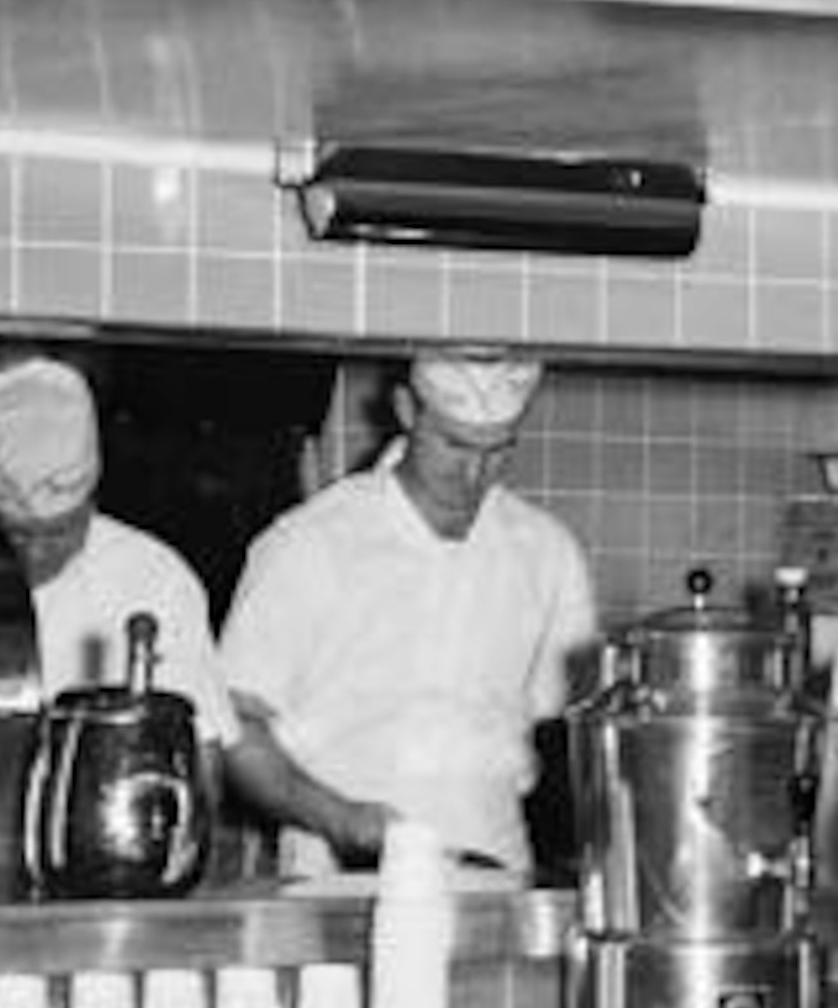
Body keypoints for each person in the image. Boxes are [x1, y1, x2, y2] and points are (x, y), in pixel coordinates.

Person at [217, 345, 597, 876]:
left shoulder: (546, 552)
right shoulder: (311, 542)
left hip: (495, 871)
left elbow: (564, 736)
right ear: (406, 409)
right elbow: (234, 728)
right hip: (335, 875)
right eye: (455, 445)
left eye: (497, 451)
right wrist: (342, 820)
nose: (474, 474)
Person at [0, 356, 235, 739]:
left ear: (91, 501)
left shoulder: (153, 578)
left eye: (60, 532)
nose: (37, 554)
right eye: (17, 534)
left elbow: (200, 747)